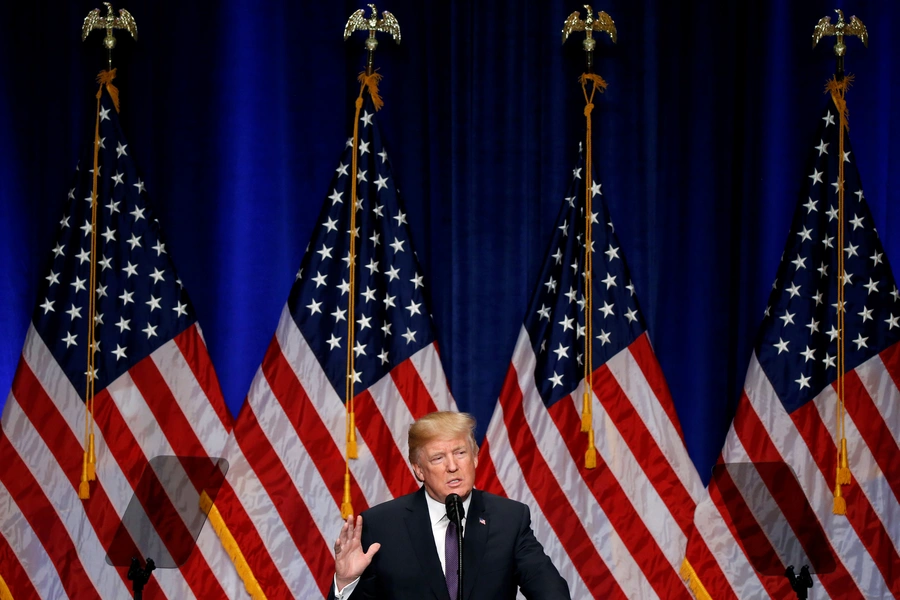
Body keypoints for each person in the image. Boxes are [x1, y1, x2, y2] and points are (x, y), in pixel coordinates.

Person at [330, 411, 570, 600]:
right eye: (438, 458)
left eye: (460, 453)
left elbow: (549, 590)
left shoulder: (509, 518)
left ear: (475, 457)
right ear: (418, 469)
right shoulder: (382, 526)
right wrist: (345, 583)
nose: (453, 466)